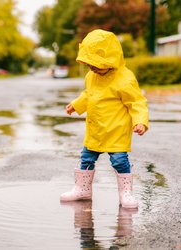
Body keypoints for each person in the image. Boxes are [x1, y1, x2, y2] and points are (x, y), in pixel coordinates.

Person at [60, 29, 149, 209]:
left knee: (119, 161)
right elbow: (88, 94)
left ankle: (126, 193)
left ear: (110, 59)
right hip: (95, 130)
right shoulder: (91, 76)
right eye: (89, 64)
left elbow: (137, 102)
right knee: (86, 159)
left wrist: (140, 121)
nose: (92, 68)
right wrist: (76, 105)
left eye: (95, 64)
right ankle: (82, 189)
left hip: (116, 130)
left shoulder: (125, 79)